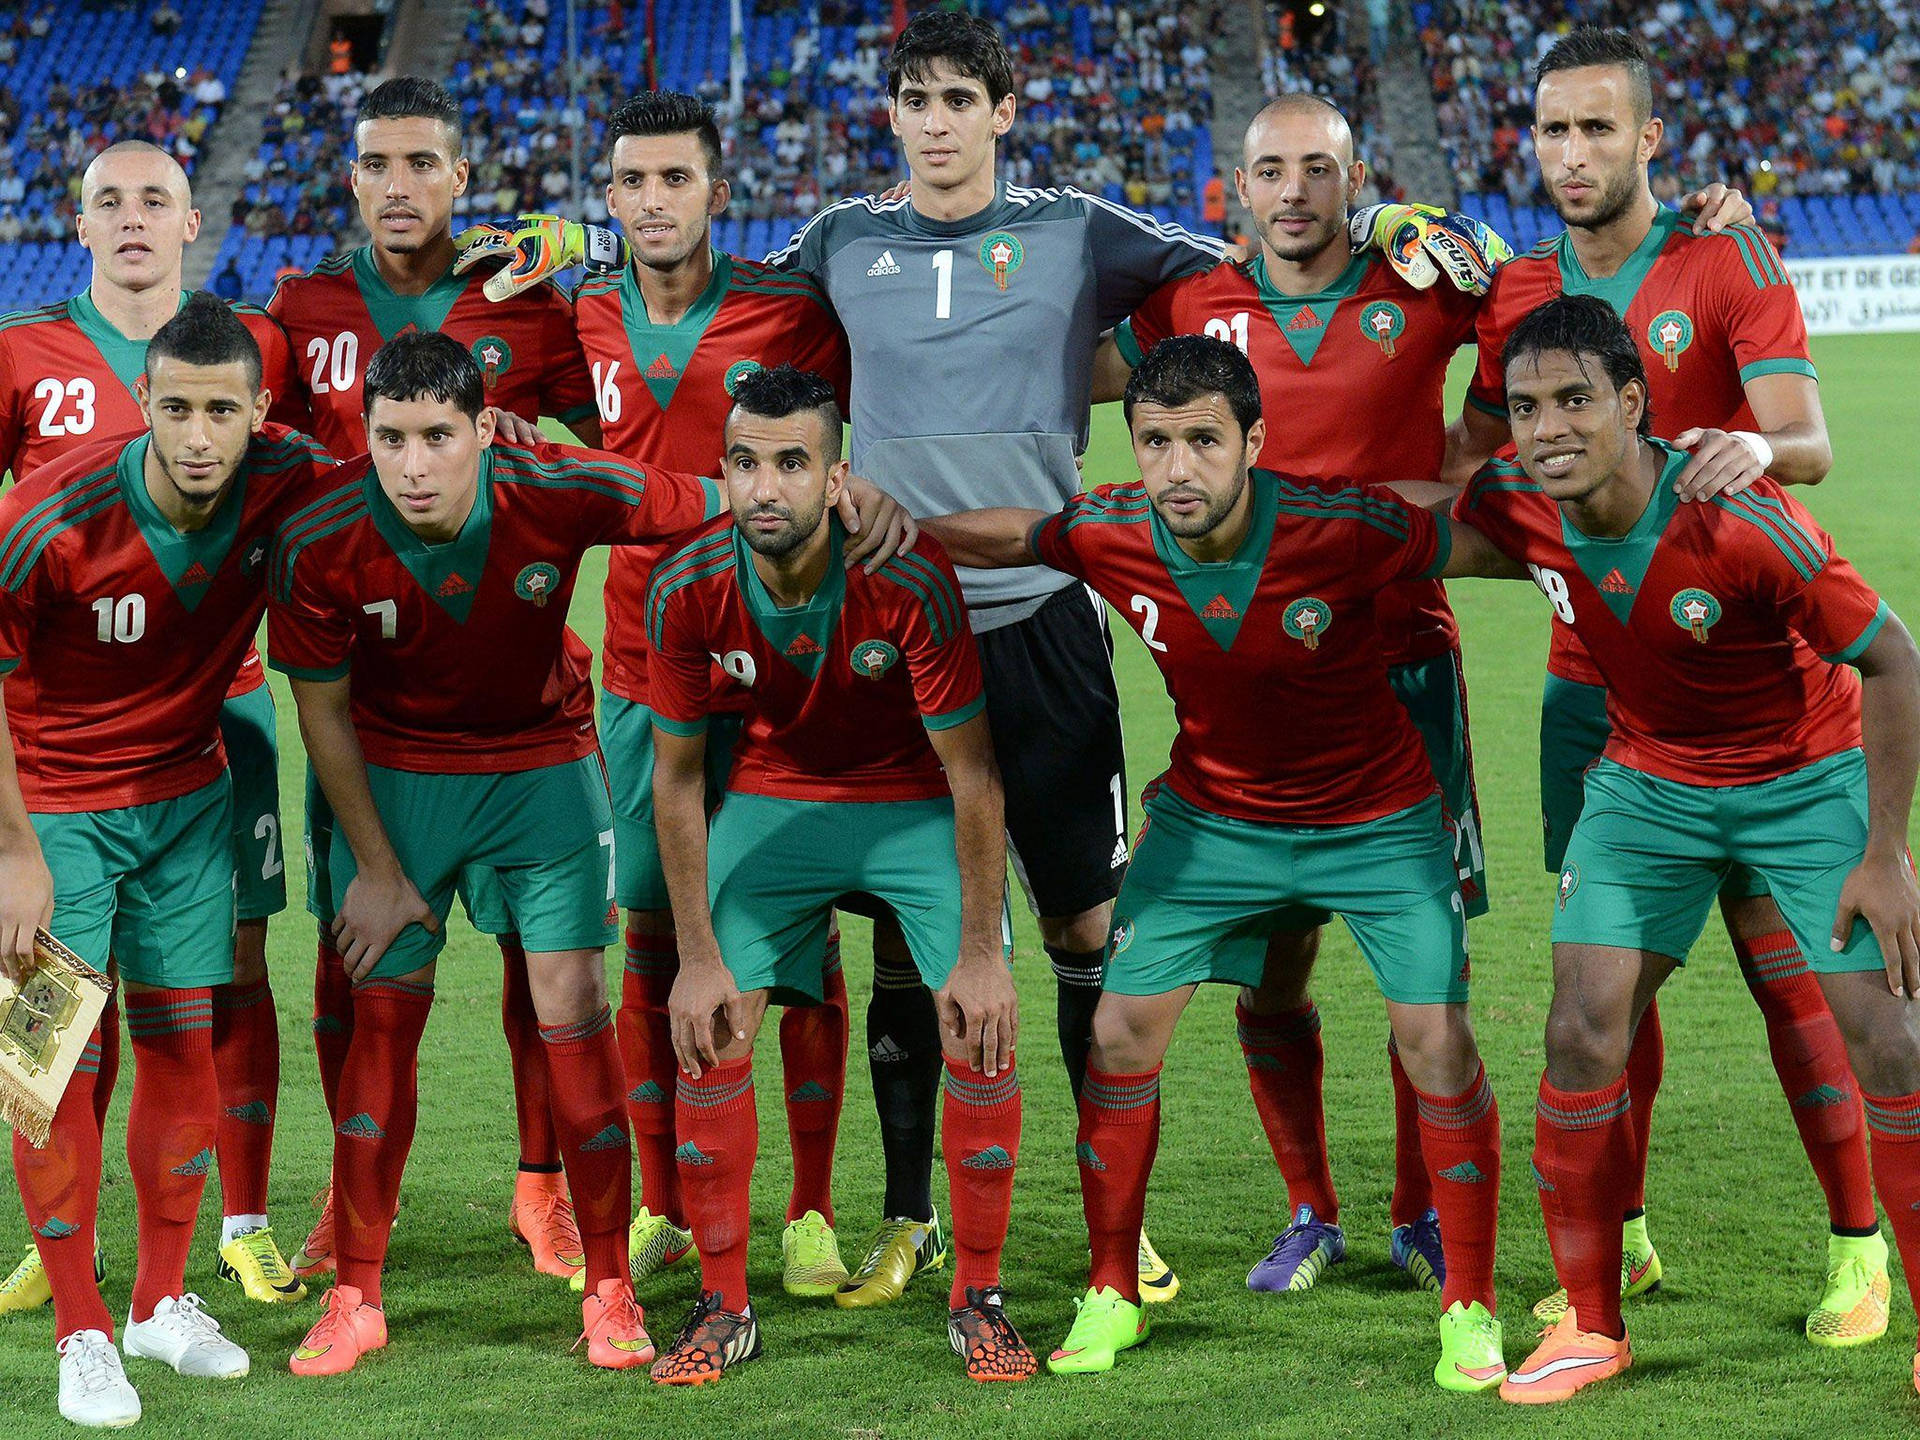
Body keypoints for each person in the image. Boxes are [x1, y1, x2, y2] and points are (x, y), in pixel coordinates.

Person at [923, 334, 1527, 1391]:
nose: (1177, 468)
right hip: (1215, 822)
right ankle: (1112, 1291)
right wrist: (891, 526)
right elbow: (1009, 534)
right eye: (1154, 442)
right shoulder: (1113, 529)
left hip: (1376, 818)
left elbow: (1492, 547)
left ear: (1254, 441)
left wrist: (1628, 519)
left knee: (1435, 1040)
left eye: (1203, 441)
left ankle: (1468, 1304)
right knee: (1116, 1032)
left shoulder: (1345, 527)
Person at [761, 6, 1230, 1305]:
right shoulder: (841, 242)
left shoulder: (1074, 228)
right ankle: (911, 1216)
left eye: (961, 99)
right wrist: (585, 238)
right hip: (890, 636)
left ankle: (1114, 1217)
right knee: (915, 936)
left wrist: (1376, 231)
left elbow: (1236, 266)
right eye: (916, 98)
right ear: (893, 116)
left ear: (1003, 112)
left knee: (1088, 926)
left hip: (1044, 620)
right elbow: (712, 300)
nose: (937, 121)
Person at [1447, 27, 1879, 1343]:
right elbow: (1463, 468)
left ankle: (1857, 1249)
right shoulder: (1514, 292)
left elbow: (1805, 439)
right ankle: (1617, 1239)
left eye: (1597, 129)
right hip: (1592, 690)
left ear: (1649, 140)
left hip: (1748, 679)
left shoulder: (1719, 255)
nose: (1572, 155)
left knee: (1785, 979)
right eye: (1552, 131)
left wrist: (1744, 441)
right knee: (1605, 992)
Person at [267, 75, 603, 1285]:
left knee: (541, 963)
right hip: (359, 688)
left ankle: (543, 1187)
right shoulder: (302, 306)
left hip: (517, 696)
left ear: (463, 179)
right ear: (350, 178)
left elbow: (609, 452)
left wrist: (535, 437)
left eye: (421, 164)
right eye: (374, 165)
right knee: (349, 954)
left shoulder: (521, 300)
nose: (397, 186)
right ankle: (351, 1199)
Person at [645, 365, 1029, 1383]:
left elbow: (974, 774)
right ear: (721, 471)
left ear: (835, 476)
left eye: (790, 463)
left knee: (979, 1024)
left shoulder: (906, 576)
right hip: (775, 798)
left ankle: (978, 1295)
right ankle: (721, 1306)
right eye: (744, 463)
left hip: (913, 803)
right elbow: (677, 783)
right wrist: (693, 957)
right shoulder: (686, 585)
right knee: (711, 1022)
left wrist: (983, 953)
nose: (765, 487)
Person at [0, 294, 335, 1427]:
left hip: (189, 798)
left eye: (222, 411)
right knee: (48, 1076)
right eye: (177, 407)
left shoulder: (290, 473)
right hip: (52, 810)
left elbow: (405, 488)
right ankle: (82, 1331)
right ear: (142, 403)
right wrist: (9, 853)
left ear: (259, 414)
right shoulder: (54, 514)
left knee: (186, 1042)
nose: (200, 435)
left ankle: (157, 1300)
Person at [568, 90, 857, 1297]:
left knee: (801, 945)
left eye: (673, 180)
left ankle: (808, 1209)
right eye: (629, 183)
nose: (650, 203)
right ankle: (658, 1204)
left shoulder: (791, 311)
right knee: (651, 937)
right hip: (641, 667)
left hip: (782, 664)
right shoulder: (579, 309)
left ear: (717, 192)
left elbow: (850, 452)